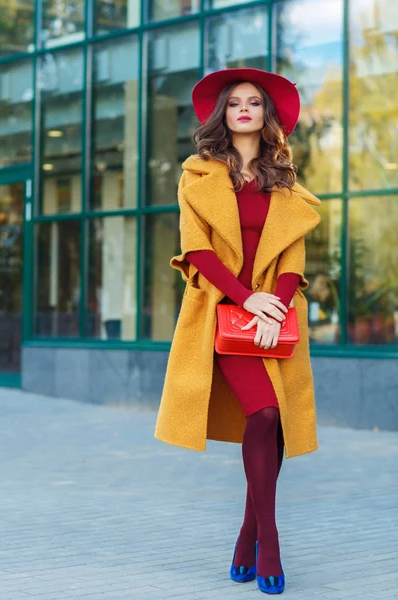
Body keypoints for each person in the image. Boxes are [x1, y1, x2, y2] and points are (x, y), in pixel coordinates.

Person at [154, 68, 322, 595]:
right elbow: (196, 249)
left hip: (274, 317)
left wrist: (273, 306)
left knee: (274, 426)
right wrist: (248, 299)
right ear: (222, 115)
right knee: (265, 411)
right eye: (235, 103)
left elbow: (294, 255)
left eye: (254, 102)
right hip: (221, 315)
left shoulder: (284, 180)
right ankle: (268, 540)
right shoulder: (198, 174)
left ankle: (246, 535)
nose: (244, 109)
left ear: (266, 116)